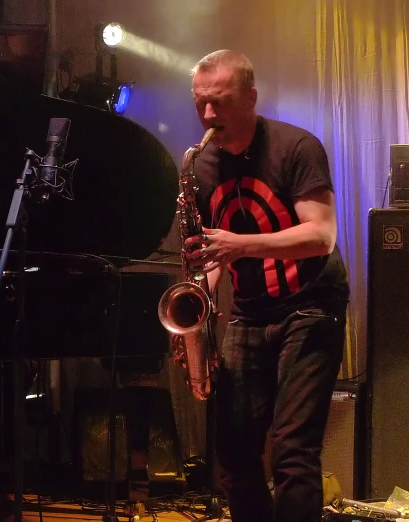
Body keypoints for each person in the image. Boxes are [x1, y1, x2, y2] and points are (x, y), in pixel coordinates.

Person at [181, 50, 350, 522]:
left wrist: (242, 245)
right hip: (250, 313)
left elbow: (321, 236)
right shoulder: (199, 165)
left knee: (293, 451)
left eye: (220, 102)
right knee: (233, 453)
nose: (209, 115)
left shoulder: (296, 147)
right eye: (200, 104)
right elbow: (216, 255)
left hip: (311, 305)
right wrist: (200, 298)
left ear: (251, 97)